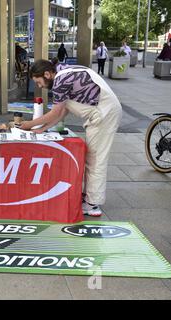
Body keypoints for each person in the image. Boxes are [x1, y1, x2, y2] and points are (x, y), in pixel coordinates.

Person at [17, 58, 122, 217]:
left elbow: (56, 112)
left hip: (104, 114)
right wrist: (44, 128)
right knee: (92, 158)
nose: (40, 86)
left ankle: (93, 204)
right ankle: (89, 198)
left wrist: (29, 125)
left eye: (39, 82)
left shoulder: (60, 81)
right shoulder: (63, 71)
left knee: (95, 160)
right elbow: (63, 110)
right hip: (104, 111)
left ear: (47, 74)